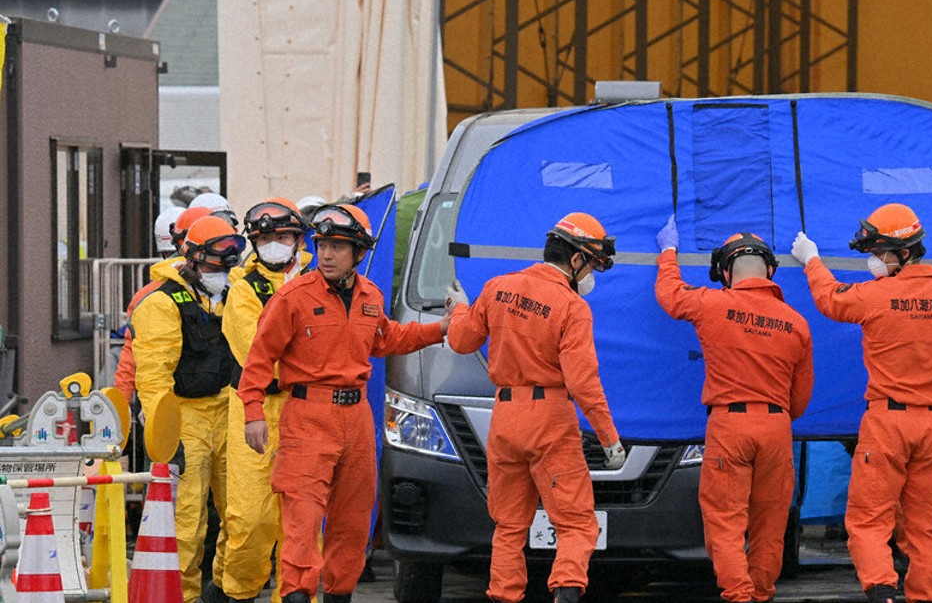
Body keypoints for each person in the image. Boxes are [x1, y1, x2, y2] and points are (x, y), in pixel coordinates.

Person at [238, 204, 449, 603]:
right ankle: (298, 595)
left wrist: (440, 329)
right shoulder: (292, 297)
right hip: (307, 417)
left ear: (359, 253)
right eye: (322, 246)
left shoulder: (370, 296)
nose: (327, 255)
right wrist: (252, 413)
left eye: (338, 246)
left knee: (352, 525)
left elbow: (389, 339)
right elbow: (259, 358)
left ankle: (340, 595)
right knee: (302, 521)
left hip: (356, 420)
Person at [791, 203, 932, 603]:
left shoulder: (875, 296)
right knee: (925, 526)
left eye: (873, 253)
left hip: (886, 425)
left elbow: (829, 299)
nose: (871, 261)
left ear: (898, 253)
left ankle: (882, 590)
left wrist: (811, 259)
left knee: (868, 519)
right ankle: (927, 597)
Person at [444, 212, 626, 603]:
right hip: (550, 420)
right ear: (576, 259)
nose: (592, 274)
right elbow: (583, 382)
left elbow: (460, 340)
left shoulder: (497, 288)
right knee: (577, 524)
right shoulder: (572, 306)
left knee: (509, 526)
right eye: (592, 263)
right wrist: (609, 438)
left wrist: (459, 308)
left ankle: (503, 596)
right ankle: (565, 596)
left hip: (506, 418)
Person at [653, 217, 814, 603]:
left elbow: (670, 294)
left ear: (725, 272)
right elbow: (801, 397)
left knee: (725, 522)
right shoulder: (796, 324)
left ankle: (739, 595)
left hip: (729, 425)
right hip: (776, 428)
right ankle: (760, 594)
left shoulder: (712, 304)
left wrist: (668, 251)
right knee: (770, 523)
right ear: (770, 270)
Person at [131, 215, 246, 603]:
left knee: (242, 514)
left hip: (232, 411)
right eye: (216, 263)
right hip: (186, 417)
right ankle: (180, 597)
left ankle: (227, 592)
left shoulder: (235, 294)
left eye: (230, 263)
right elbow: (153, 376)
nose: (223, 271)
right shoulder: (161, 303)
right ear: (193, 257)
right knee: (187, 521)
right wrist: (166, 436)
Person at [220, 198, 310, 603]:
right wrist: (309, 362)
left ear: (298, 238)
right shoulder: (243, 289)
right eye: (266, 238)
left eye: (283, 236)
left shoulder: (321, 278)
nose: (275, 244)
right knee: (250, 518)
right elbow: (255, 353)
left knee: (304, 521)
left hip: (309, 411)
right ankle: (238, 593)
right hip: (255, 406)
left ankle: (294, 596)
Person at [114, 206, 210, 402]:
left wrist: (120, 411)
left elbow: (129, 362)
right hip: (180, 403)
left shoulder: (147, 295)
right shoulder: (231, 287)